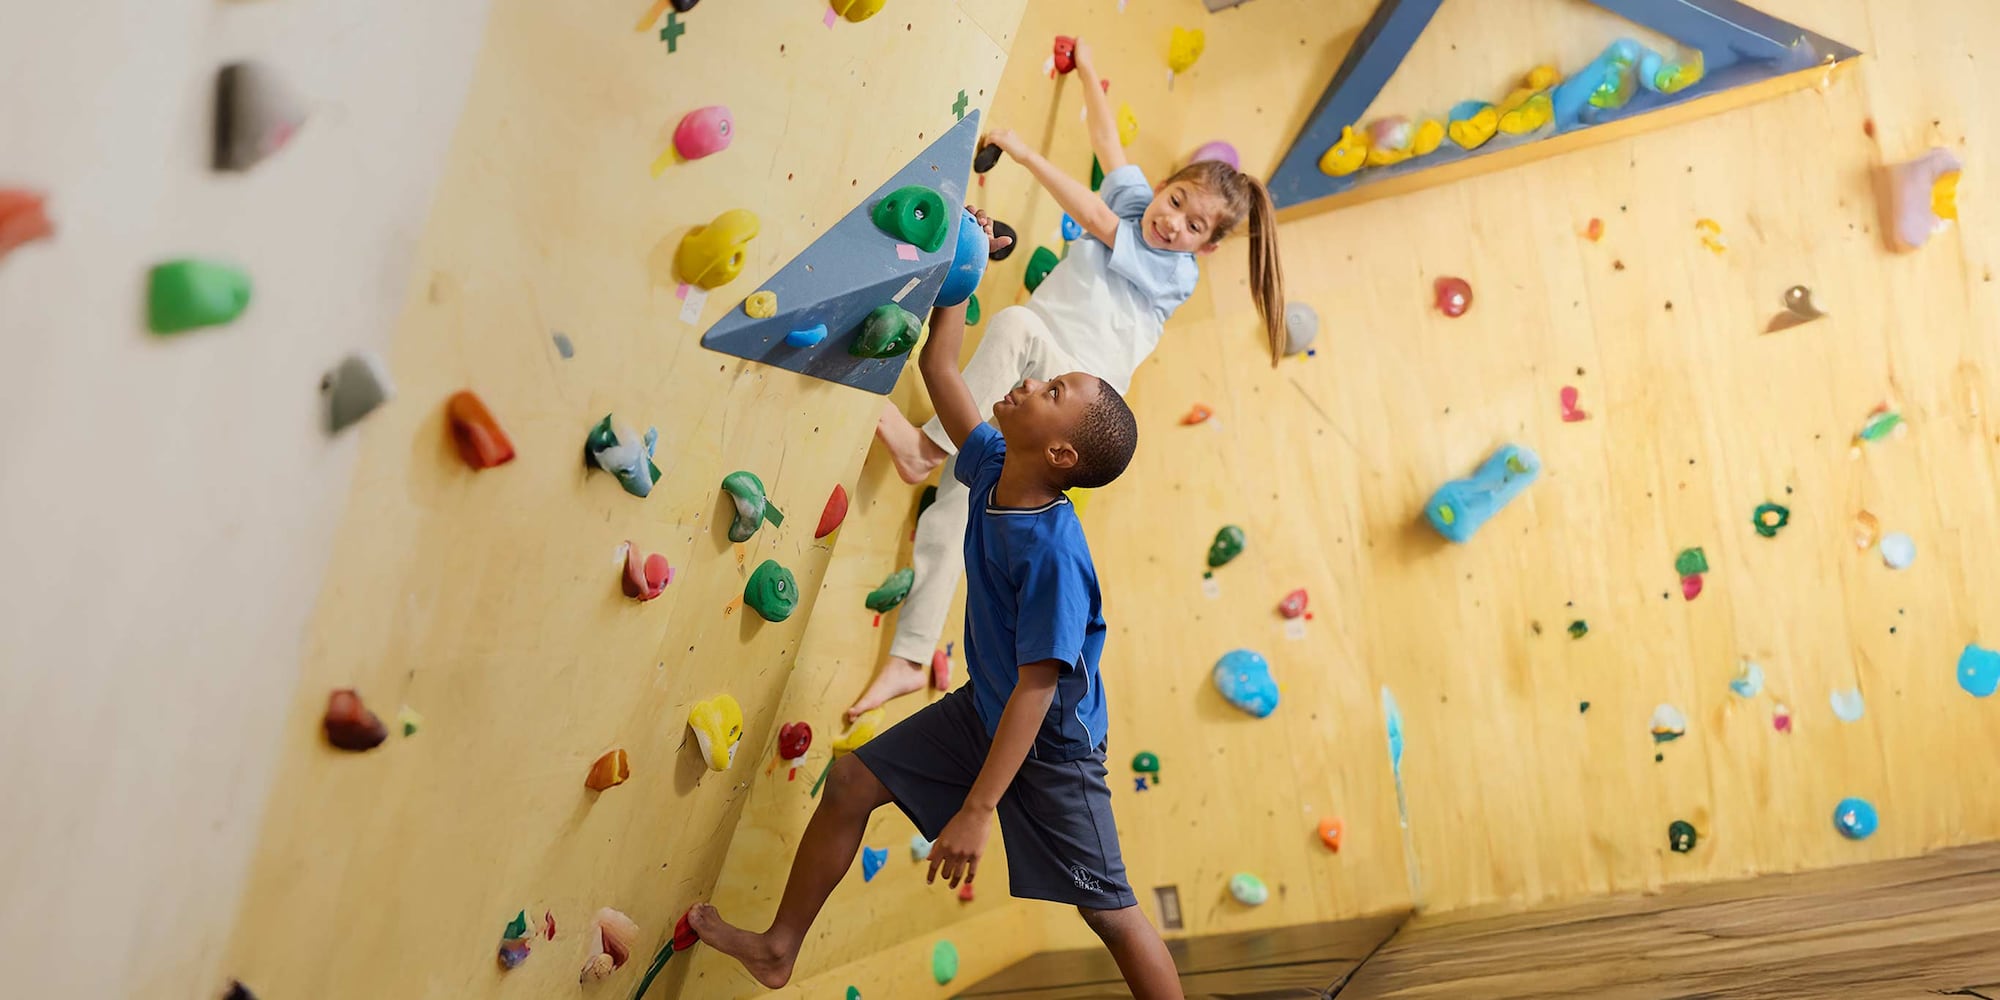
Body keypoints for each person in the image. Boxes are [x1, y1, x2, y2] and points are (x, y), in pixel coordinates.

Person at [689, 230, 1184, 997]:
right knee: (853, 783)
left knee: (1110, 913)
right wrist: (962, 270)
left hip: (1048, 747)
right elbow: (940, 367)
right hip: (986, 710)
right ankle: (778, 950)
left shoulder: (1053, 552)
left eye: (1054, 392)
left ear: (1059, 456)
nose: (1037, 381)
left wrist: (979, 809)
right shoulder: (992, 462)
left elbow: (1038, 688)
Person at [850, 37, 1287, 722]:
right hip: (1041, 381)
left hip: (1079, 392)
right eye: (1174, 201)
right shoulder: (1143, 201)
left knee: (1017, 325)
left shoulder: (1177, 270)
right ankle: (910, 658)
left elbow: (1093, 218)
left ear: (1207, 245)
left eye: (1192, 225)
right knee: (964, 499)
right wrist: (1085, 69)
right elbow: (1107, 142)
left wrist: (1022, 152)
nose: (1171, 223)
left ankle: (924, 447)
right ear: (1165, 184)